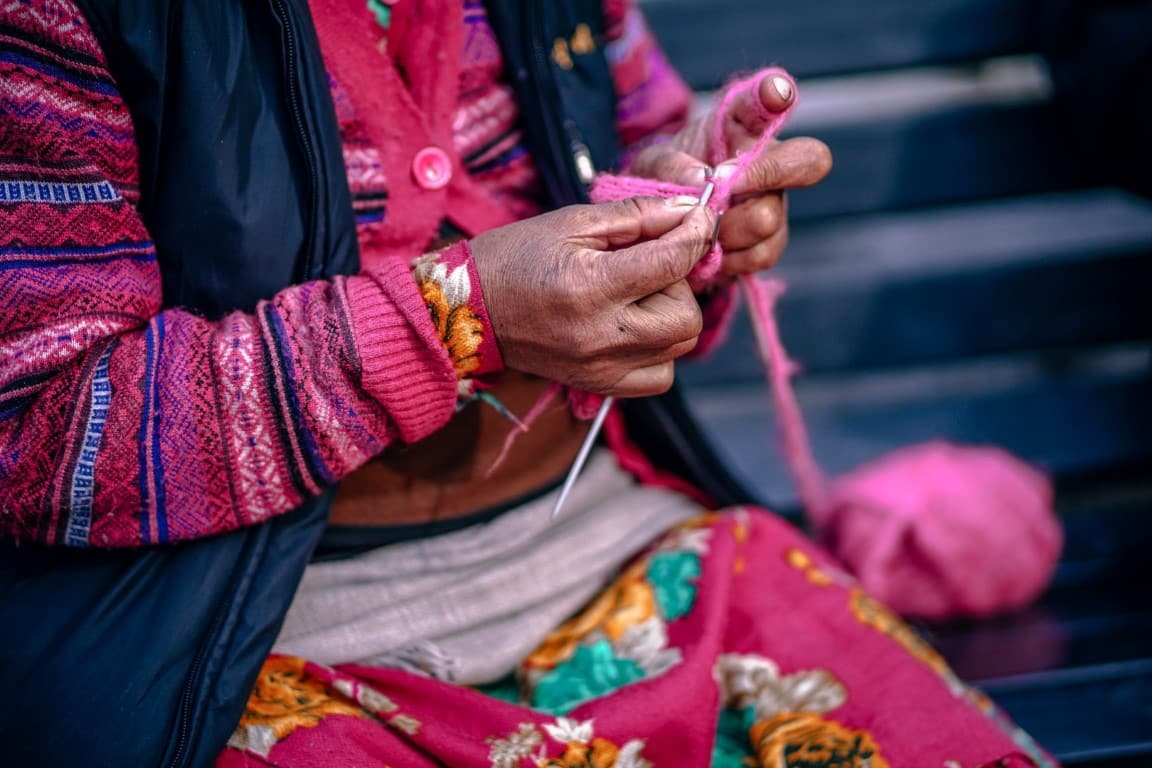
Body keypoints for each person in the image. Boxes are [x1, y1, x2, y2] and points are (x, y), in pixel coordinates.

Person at [0, 0, 1056, 765]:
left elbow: (635, 154)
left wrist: (682, 221)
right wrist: (462, 317)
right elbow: (38, 434)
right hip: (254, 645)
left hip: (613, 552)